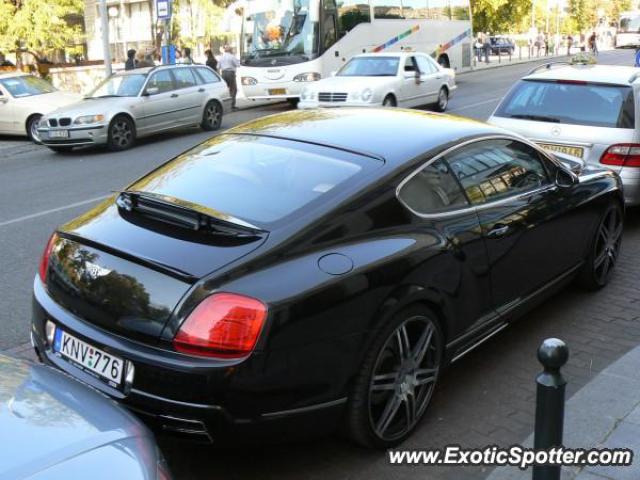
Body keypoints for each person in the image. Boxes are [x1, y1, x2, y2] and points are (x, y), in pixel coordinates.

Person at [220, 45, 240, 109]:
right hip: (230, 73)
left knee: (225, 89)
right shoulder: (232, 57)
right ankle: (232, 105)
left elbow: (218, 67)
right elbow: (238, 65)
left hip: (223, 73)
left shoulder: (221, 57)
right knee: (233, 89)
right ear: (230, 50)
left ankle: (224, 105)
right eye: (232, 50)